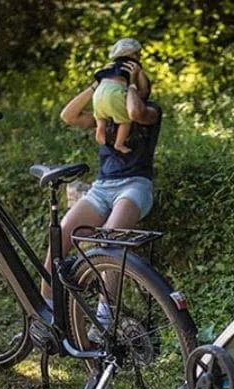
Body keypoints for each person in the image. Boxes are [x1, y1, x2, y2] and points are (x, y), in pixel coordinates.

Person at [41, 57, 161, 328]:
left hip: (135, 186)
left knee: (110, 241)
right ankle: (46, 309)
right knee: (61, 233)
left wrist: (130, 85)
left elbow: (134, 113)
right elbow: (68, 115)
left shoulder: (152, 111)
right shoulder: (104, 117)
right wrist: (96, 88)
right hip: (102, 188)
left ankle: (105, 320)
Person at [93, 38, 151, 154]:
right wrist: (138, 76)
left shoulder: (110, 66)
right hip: (114, 94)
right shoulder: (134, 66)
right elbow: (145, 91)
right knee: (126, 121)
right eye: (139, 54)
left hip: (98, 94)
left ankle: (100, 129)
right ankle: (119, 144)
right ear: (134, 54)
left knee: (100, 117)